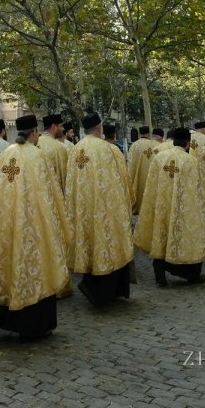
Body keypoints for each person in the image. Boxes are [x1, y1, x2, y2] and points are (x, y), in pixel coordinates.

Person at [0, 114, 69, 338]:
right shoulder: (38, 156)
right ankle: (35, 325)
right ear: (34, 133)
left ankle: (9, 319)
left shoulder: (5, 155)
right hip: (34, 227)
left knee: (11, 266)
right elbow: (51, 195)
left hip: (7, 225)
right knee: (35, 270)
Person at [64, 113, 133, 307]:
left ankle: (89, 283)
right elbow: (121, 181)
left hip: (82, 210)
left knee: (88, 245)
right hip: (105, 209)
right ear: (99, 128)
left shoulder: (75, 149)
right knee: (106, 247)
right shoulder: (107, 149)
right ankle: (102, 292)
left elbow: (71, 185)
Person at [134, 127, 205, 285]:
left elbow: (150, 186)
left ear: (173, 141)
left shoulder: (159, 158)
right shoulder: (191, 161)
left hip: (162, 207)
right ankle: (191, 274)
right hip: (183, 209)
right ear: (187, 144)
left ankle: (159, 270)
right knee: (183, 237)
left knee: (161, 233)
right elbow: (199, 190)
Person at [127, 126, 159, 213]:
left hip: (139, 177)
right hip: (152, 176)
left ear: (140, 134)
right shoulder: (156, 145)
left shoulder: (134, 145)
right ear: (149, 134)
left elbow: (131, 164)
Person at [37, 113, 69, 192]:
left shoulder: (35, 144)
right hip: (54, 194)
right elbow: (64, 177)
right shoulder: (59, 148)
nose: (63, 129)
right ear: (54, 127)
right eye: (61, 126)